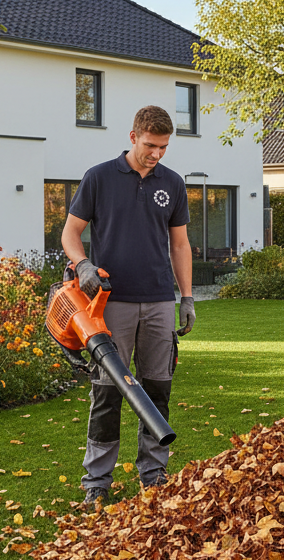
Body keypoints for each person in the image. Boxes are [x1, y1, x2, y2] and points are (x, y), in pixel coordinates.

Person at [61, 105, 195, 505]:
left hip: (158, 300)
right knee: (107, 392)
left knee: (157, 388)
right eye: (151, 145)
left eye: (164, 147)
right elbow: (70, 232)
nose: (156, 154)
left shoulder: (171, 183)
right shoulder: (99, 177)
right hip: (109, 303)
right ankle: (97, 482)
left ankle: (153, 474)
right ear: (133, 135)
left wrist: (186, 298)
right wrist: (82, 263)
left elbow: (180, 244)